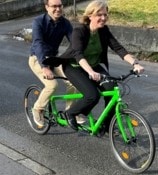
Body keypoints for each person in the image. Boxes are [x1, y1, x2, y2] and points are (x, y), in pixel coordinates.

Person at [59, 0, 144, 131]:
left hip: (93, 66)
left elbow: (118, 48)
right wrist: (90, 72)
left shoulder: (103, 31)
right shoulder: (79, 31)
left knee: (112, 90)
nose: (103, 18)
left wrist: (135, 63)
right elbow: (78, 54)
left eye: (105, 15)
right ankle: (70, 113)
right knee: (92, 95)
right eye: (99, 15)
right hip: (74, 67)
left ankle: (106, 124)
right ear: (90, 16)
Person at [29, 0, 84, 128]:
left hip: (54, 58)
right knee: (52, 85)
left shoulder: (65, 23)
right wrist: (45, 67)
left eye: (60, 6)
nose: (57, 9)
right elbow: (38, 44)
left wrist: (83, 59)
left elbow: (74, 43)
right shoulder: (38, 22)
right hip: (37, 58)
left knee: (73, 80)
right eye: (54, 6)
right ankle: (37, 109)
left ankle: (71, 111)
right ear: (47, 7)